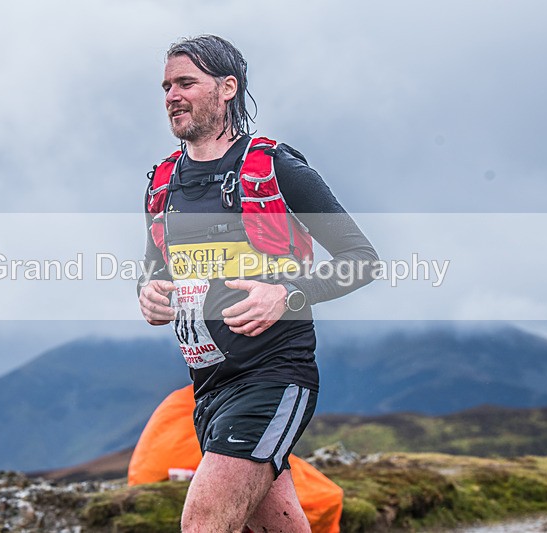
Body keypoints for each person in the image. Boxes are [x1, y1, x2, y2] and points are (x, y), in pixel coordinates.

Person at [138, 34, 378, 532]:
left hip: (274, 374)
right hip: (207, 388)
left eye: (186, 82)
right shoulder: (163, 182)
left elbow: (362, 259)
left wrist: (288, 294)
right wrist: (149, 293)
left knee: (202, 524)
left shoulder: (273, 167)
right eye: (165, 86)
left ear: (228, 88)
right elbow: (155, 269)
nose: (171, 96)